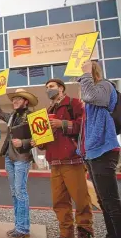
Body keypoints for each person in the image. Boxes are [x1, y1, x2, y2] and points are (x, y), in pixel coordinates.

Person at [31, 79, 93, 238]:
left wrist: (62, 123)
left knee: (81, 200)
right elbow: (44, 140)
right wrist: (39, 141)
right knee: (59, 202)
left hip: (72, 160)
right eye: (46, 87)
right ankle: (66, 233)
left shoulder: (74, 103)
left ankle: (85, 231)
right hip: (54, 162)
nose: (48, 89)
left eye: (51, 86)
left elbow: (85, 125)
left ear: (61, 88)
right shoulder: (46, 111)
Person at [77, 60, 121, 238]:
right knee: (103, 201)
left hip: (104, 149)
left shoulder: (105, 85)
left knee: (111, 202)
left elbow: (91, 97)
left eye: (84, 73)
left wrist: (87, 74)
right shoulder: (94, 90)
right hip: (93, 152)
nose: (81, 78)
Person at [0, 88, 37, 238]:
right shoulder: (11, 116)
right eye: (14, 99)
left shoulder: (32, 117)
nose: (15, 101)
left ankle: (23, 229)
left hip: (22, 158)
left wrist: (23, 142)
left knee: (20, 192)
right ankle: (19, 226)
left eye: (19, 98)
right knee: (14, 193)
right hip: (9, 158)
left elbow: (41, 138)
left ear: (26, 101)